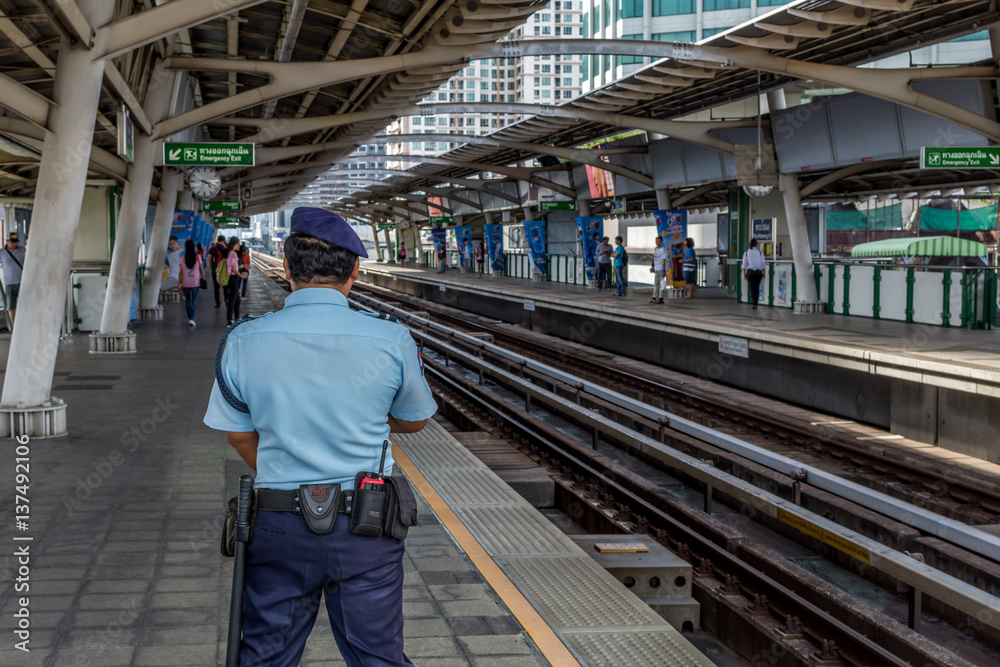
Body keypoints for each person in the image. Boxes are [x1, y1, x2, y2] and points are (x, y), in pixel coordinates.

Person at [203, 207, 436, 667]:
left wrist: (287, 469)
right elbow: (415, 420)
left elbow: (237, 434)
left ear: (287, 269)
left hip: (277, 525)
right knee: (378, 658)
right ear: (353, 273)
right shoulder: (391, 339)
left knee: (267, 655)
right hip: (368, 525)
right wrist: (361, 415)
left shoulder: (243, 341)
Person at [0, 231, 25, 326]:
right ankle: (14, 326)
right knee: (11, 306)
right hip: (9, 283)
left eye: (16, 241)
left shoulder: (23, 250)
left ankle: (24, 324)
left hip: (22, 282)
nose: (15, 243)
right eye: (12, 241)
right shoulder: (2, 252)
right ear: (7, 241)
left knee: (24, 305)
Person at [178, 239, 203, 326]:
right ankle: (192, 318)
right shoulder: (198, 257)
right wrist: (203, 278)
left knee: (188, 300)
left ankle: (190, 317)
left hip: (185, 282)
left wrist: (179, 283)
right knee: (194, 300)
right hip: (195, 282)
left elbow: (181, 272)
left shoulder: (182, 258)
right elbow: (201, 270)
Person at [223, 236, 247, 325]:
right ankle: (229, 320)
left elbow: (233, 267)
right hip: (233, 279)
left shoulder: (229, 253)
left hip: (230, 278)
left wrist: (242, 267)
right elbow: (234, 269)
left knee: (237, 300)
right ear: (236, 244)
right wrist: (241, 276)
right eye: (238, 244)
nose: (239, 246)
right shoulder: (233, 254)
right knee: (232, 300)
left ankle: (237, 318)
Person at [742, 238, 766, 310]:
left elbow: (744, 265)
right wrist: (764, 273)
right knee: (757, 288)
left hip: (750, 272)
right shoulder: (760, 253)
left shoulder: (746, 253)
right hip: (758, 273)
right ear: (756, 245)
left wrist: (744, 274)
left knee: (752, 288)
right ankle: (756, 303)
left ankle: (754, 303)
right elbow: (763, 264)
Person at [208, 235, 227, 308]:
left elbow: (209, 259)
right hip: (224, 272)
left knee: (216, 288)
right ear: (224, 241)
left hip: (215, 271)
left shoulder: (213, 249)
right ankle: (226, 301)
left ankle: (218, 303)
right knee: (225, 287)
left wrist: (211, 268)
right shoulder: (225, 249)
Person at [649, 235, 667, 304]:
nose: (658, 243)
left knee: (661, 284)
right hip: (656, 268)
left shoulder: (663, 250)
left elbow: (663, 260)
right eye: (657, 241)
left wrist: (663, 270)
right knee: (656, 283)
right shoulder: (656, 249)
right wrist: (652, 266)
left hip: (660, 268)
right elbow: (654, 258)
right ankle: (654, 297)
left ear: (662, 242)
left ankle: (661, 298)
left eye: (659, 241)